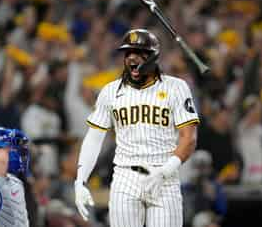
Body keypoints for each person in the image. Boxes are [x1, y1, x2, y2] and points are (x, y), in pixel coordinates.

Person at [74, 29, 200, 227]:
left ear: (153, 56)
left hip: (164, 176)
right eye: (128, 53)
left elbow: (189, 137)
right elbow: (94, 137)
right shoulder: (110, 91)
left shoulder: (176, 87)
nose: (132, 57)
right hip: (126, 176)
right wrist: (80, 179)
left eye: (138, 52)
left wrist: (166, 170)